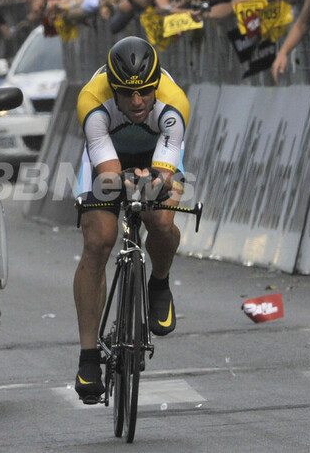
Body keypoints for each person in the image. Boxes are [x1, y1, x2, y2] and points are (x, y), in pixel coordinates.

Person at [72, 36, 190, 403]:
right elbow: (108, 174)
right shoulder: (92, 101)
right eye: (126, 94)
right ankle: (88, 356)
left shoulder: (174, 103)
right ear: (113, 88)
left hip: (156, 153)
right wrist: (123, 182)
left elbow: (164, 176)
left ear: (156, 85)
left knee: (161, 221)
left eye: (144, 92)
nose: (137, 102)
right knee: (99, 240)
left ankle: (159, 283)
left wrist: (155, 182)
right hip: (108, 154)